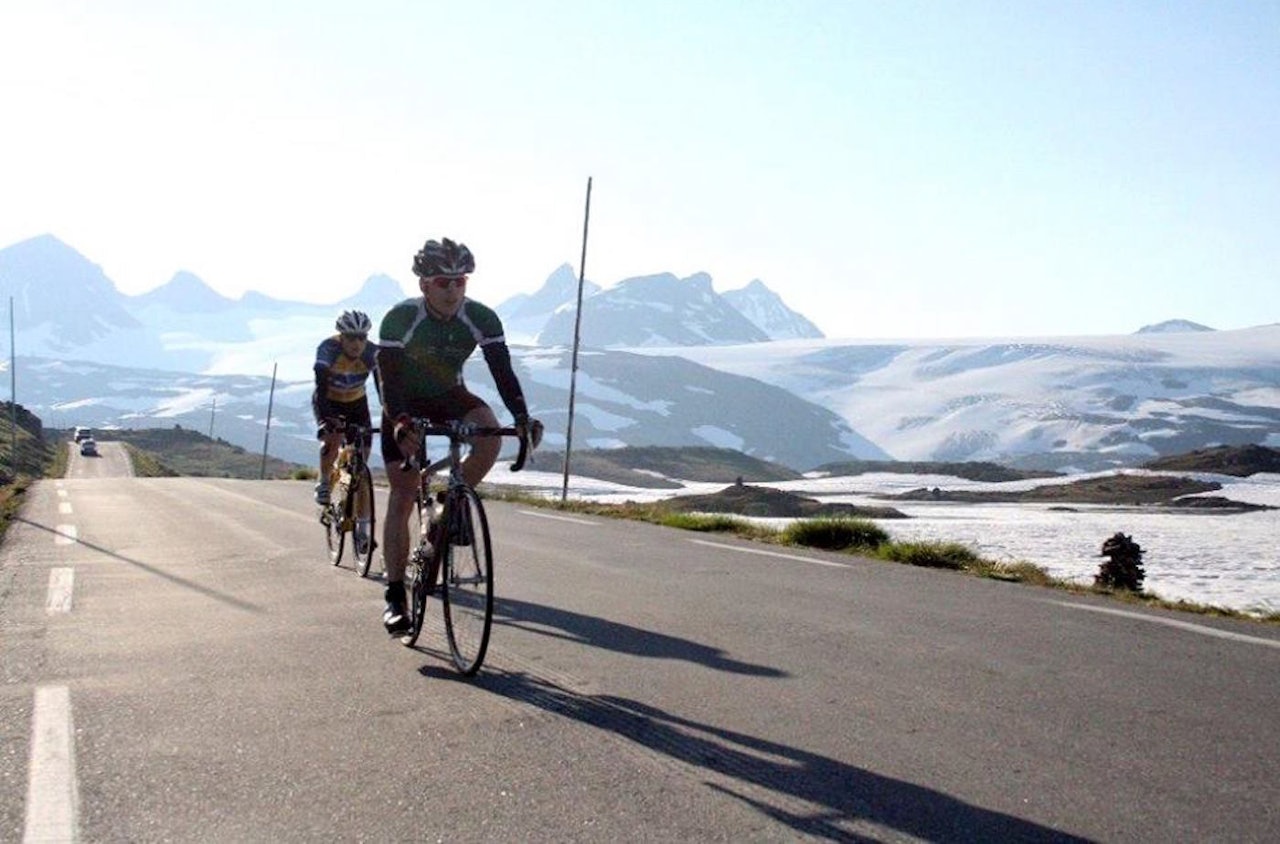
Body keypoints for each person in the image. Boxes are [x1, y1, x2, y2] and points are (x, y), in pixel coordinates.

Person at [375, 237, 542, 634]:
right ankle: (395, 596)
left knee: (489, 432)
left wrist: (520, 416)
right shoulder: (400, 319)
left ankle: (451, 500)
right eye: (441, 282)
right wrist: (399, 421)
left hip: (448, 393)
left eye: (459, 282)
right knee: (402, 491)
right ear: (424, 285)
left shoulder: (481, 317)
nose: (451, 290)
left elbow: (502, 371)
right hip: (402, 401)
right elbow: (388, 379)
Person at [312, 310, 381, 554]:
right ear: (341, 337)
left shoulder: (373, 352)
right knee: (332, 438)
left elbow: (382, 386)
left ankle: (363, 531)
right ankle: (323, 480)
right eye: (351, 338)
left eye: (361, 337)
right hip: (329, 400)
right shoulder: (328, 349)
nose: (356, 343)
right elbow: (320, 386)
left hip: (356, 403)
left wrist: (391, 415)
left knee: (361, 467)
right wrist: (325, 420)